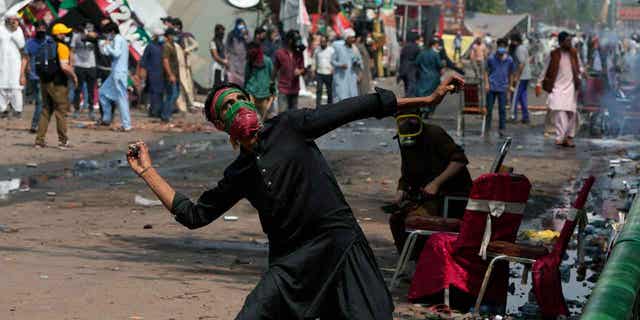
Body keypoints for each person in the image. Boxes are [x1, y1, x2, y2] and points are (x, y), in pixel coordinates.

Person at [126, 72, 465, 319]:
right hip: (292, 263)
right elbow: (194, 215)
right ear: (219, 124)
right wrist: (148, 173)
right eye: (228, 105)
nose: (239, 106)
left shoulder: (289, 126)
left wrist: (427, 99)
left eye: (241, 99)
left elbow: (356, 107)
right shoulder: (239, 174)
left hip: (339, 243)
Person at [389, 109, 472, 254]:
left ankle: (422, 260)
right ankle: (409, 260)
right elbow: (407, 173)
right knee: (396, 219)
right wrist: (400, 191)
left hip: (448, 194)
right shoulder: (404, 138)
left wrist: (436, 183)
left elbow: (459, 161)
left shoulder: (435, 133)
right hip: (424, 195)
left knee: (416, 219)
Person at [34, 23, 78, 149]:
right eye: (63, 33)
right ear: (58, 34)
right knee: (61, 111)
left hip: (44, 81)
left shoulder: (45, 45)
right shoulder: (62, 47)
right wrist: (74, 76)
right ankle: (63, 141)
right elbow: (64, 66)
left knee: (46, 110)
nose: (65, 35)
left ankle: (39, 141)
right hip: (58, 83)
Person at [537, 31, 583, 148]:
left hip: (571, 88)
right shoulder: (553, 54)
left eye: (570, 41)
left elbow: (580, 67)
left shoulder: (574, 53)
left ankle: (568, 137)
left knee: (571, 113)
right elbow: (545, 69)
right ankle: (560, 137)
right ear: (561, 42)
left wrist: (582, 75)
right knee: (559, 112)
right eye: (567, 41)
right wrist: (539, 83)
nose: (569, 43)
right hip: (557, 87)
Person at [98, 22, 131, 132]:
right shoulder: (118, 40)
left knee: (121, 99)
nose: (107, 36)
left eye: (107, 33)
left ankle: (126, 125)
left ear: (112, 32)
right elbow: (107, 53)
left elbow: (116, 53)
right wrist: (105, 46)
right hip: (116, 72)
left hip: (119, 73)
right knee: (102, 92)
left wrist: (107, 45)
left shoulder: (118, 39)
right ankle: (106, 118)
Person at [484, 38, 516, 137]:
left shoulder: (509, 60)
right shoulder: (491, 58)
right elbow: (485, 71)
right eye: (500, 46)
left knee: (502, 110)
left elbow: (511, 73)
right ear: (497, 47)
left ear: (506, 47)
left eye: (503, 46)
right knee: (489, 109)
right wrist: (487, 84)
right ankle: (487, 128)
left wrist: (510, 86)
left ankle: (502, 129)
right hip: (492, 87)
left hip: (503, 87)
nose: (501, 48)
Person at [0, 13, 27, 118]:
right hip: (2, 62)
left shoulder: (19, 30)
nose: (13, 21)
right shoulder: (1, 29)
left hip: (15, 64)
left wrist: (15, 30)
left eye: (15, 20)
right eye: (11, 20)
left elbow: (22, 47)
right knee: (1, 87)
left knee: (16, 88)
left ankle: (17, 110)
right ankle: (2, 110)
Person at [70, 22, 98, 120]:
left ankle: (91, 110)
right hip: (79, 65)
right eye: (87, 27)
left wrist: (89, 34)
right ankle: (76, 109)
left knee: (91, 90)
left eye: (91, 27)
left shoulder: (94, 35)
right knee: (78, 89)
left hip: (91, 65)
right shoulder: (76, 36)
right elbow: (72, 51)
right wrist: (72, 65)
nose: (89, 29)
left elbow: (95, 37)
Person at [138, 26, 165, 119]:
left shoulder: (164, 46)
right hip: (152, 73)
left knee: (160, 93)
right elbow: (143, 60)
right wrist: (142, 72)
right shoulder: (150, 46)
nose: (162, 37)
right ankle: (153, 111)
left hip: (162, 73)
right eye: (160, 36)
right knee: (154, 93)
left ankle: (159, 110)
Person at [274, 29, 305, 111]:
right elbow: (275, 69)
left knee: (293, 116)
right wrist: (271, 84)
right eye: (296, 40)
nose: (298, 42)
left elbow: (303, 69)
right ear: (290, 40)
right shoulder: (280, 53)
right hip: (283, 89)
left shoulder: (299, 54)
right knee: (283, 116)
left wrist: (300, 71)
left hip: (294, 89)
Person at [25, 20, 47, 132]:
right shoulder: (30, 42)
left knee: (43, 102)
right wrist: (27, 67)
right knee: (40, 101)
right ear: (35, 29)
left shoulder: (49, 41)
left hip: (49, 75)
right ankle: (35, 125)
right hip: (36, 76)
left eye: (43, 28)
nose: (41, 30)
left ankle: (39, 125)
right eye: (39, 28)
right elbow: (26, 57)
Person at [244, 41, 275, 118]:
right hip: (251, 92)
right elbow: (246, 77)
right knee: (252, 117)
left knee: (264, 119)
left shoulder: (267, 61)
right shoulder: (249, 62)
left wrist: (273, 92)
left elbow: (273, 77)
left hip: (264, 94)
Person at [174, 18, 199, 112]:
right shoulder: (171, 36)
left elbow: (196, 45)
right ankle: (181, 106)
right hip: (175, 64)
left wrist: (186, 50)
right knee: (178, 86)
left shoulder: (184, 35)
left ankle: (190, 105)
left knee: (186, 85)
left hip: (184, 65)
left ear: (178, 26)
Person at [415, 37, 443, 118]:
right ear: (434, 45)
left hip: (423, 77)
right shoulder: (435, 54)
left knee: (422, 94)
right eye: (438, 44)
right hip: (434, 78)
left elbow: (416, 62)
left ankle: (422, 109)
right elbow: (440, 65)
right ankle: (428, 111)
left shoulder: (422, 53)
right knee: (432, 95)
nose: (438, 46)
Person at [331, 28, 361, 102]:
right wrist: (340, 65)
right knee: (341, 97)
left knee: (352, 97)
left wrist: (357, 66)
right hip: (340, 78)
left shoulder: (355, 49)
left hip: (351, 77)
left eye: (353, 37)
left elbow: (360, 61)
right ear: (346, 38)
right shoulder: (339, 48)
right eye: (351, 37)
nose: (353, 39)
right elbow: (332, 61)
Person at [510, 33, 532, 124]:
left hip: (521, 76)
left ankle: (513, 116)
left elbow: (521, 64)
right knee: (523, 97)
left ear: (515, 41)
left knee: (514, 96)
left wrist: (516, 77)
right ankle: (525, 117)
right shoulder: (524, 47)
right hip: (527, 75)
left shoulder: (518, 49)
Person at [161, 28, 181, 122]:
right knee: (172, 94)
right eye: (172, 35)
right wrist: (170, 75)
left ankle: (166, 113)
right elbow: (165, 61)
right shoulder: (167, 46)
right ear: (168, 36)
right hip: (170, 75)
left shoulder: (172, 45)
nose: (174, 36)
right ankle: (165, 115)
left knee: (175, 94)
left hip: (175, 75)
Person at [312, 34, 334, 106]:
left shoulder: (331, 50)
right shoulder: (317, 50)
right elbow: (314, 60)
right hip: (319, 73)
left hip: (329, 73)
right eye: (321, 42)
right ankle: (318, 106)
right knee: (319, 90)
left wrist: (333, 69)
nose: (322, 43)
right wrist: (313, 69)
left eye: (324, 42)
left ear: (327, 42)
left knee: (329, 91)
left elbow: (334, 61)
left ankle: (330, 106)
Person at [226, 18, 249, 86]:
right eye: (240, 25)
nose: (241, 27)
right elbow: (227, 47)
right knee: (233, 81)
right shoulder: (231, 34)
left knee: (243, 81)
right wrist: (227, 59)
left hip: (244, 61)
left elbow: (250, 44)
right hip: (233, 61)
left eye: (243, 25)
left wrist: (246, 36)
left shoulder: (247, 33)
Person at [398, 31, 421, 97]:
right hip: (411, 69)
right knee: (411, 87)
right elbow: (418, 60)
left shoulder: (404, 47)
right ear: (415, 39)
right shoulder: (416, 48)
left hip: (403, 69)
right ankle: (408, 101)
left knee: (406, 86)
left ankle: (406, 99)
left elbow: (401, 59)